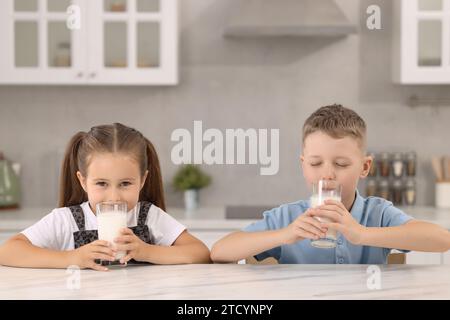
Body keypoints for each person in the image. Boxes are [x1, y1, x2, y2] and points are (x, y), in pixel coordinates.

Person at [211, 104, 450, 264]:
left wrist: (362, 234)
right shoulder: (288, 217)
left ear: (364, 167)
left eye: (342, 164)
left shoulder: (377, 214)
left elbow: (442, 239)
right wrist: (284, 235)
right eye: (315, 163)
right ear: (303, 165)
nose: (327, 175)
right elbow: (219, 251)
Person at [0, 123, 210, 271]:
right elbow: (8, 251)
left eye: (125, 184)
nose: (114, 197)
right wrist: (72, 257)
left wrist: (146, 252)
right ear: (83, 181)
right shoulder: (67, 220)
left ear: (143, 180)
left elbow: (200, 252)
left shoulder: (148, 216)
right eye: (101, 184)